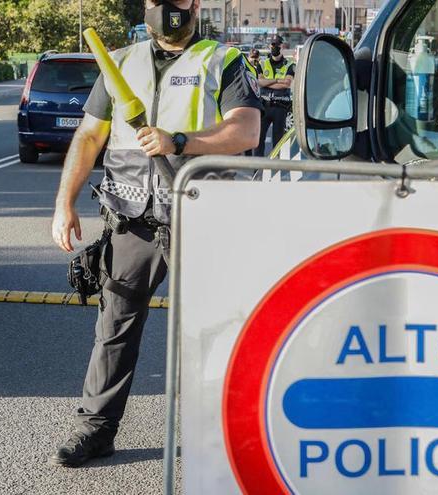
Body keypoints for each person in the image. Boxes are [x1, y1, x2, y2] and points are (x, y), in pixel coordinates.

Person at [49, 0, 261, 468]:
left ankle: (234, 434)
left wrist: (181, 141)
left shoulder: (221, 61)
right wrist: (65, 203)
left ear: (196, 5)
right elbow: (88, 137)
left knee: (217, 329)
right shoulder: (120, 62)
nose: (167, 9)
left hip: (201, 217)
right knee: (114, 328)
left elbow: (246, 130)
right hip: (133, 220)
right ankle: (95, 430)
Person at [254, 35, 295, 157]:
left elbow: (287, 84)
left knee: (278, 143)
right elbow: (260, 82)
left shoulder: (289, 64)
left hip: (280, 108)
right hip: (264, 107)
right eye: (272, 44)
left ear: (282, 46)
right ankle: (257, 170)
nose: (273, 47)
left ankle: (276, 171)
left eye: (276, 44)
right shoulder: (262, 63)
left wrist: (268, 82)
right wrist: (278, 80)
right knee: (258, 141)